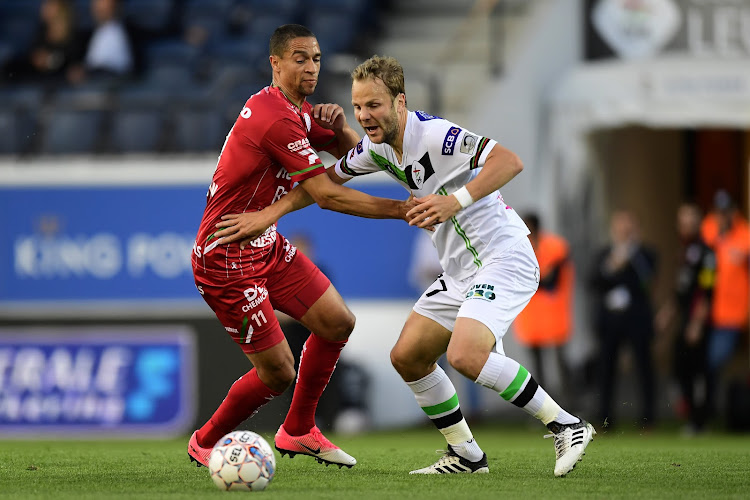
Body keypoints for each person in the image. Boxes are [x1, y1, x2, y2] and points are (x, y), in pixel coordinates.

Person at [216, 55, 595, 477]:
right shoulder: (377, 148)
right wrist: (270, 213)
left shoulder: (436, 135)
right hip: (459, 272)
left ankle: (567, 424)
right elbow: (322, 187)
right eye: (358, 107)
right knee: (408, 357)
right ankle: (467, 456)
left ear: (400, 102)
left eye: (373, 105)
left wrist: (454, 201)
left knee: (467, 356)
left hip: (503, 256)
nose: (364, 116)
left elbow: (509, 161)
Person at [187, 25, 418, 470]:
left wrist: (342, 128)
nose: (310, 67)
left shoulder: (298, 112)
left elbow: (361, 158)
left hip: (264, 244)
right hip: (226, 256)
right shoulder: (274, 116)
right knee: (278, 373)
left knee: (336, 322)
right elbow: (328, 194)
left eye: (315, 58)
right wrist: (401, 210)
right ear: (275, 63)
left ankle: (297, 432)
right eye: (299, 58)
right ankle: (206, 440)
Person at [589, 210, 658, 429]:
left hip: (636, 319)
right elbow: (594, 282)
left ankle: (648, 418)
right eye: (619, 227)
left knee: (644, 367)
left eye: (627, 228)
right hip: (610, 320)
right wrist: (612, 265)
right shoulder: (604, 254)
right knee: (606, 368)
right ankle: (606, 417)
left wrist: (632, 254)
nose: (622, 231)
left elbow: (648, 282)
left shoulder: (645, 255)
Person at [655, 203, 715, 434]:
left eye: (689, 219)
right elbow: (681, 292)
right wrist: (666, 315)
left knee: (698, 370)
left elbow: (707, 290)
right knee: (681, 367)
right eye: (682, 219)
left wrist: (697, 323)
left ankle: (700, 421)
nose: (684, 224)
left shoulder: (707, 253)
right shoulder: (685, 252)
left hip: (699, 322)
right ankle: (693, 416)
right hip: (687, 319)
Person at [699, 190, 750, 420]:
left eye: (726, 210)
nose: (722, 215)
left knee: (716, 359)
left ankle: (718, 409)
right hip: (707, 311)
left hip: (732, 313)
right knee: (703, 361)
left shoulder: (745, 234)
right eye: (719, 211)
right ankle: (708, 410)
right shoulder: (710, 228)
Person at [513, 212, 574, 391]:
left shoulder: (555, 246)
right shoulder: (519, 247)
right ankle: (543, 405)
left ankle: (570, 402)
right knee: (537, 365)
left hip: (554, 313)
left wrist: (531, 279)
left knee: (561, 360)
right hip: (531, 316)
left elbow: (550, 282)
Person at [67, 0, 133, 84]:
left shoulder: (116, 33)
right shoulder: (100, 31)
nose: (96, 5)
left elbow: (115, 70)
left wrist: (86, 73)